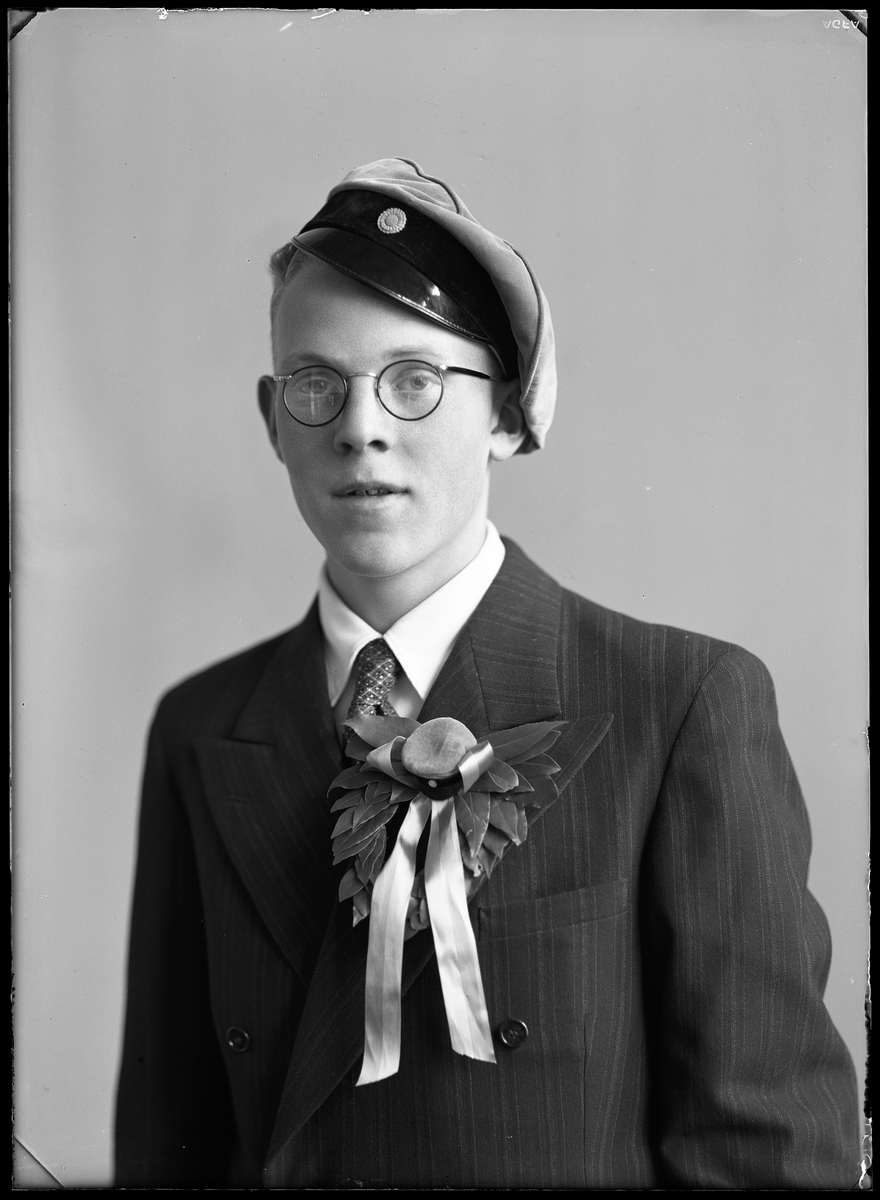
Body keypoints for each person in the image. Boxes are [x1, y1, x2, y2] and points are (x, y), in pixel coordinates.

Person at [114, 157, 859, 1188]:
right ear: (272, 418)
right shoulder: (201, 728)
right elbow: (169, 1139)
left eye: (415, 381)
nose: (362, 429)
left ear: (504, 414)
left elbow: (771, 1152)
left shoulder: (679, 704)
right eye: (317, 385)